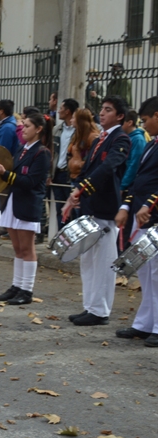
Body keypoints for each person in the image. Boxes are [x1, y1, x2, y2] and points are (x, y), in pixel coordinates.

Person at [62, 96, 131, 326]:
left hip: (105, 207)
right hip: (91, 207)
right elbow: (87, 169)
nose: (101, 113)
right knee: (88, 260)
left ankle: (100, 311)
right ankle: (90, 306)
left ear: (120, 116)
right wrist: (77, 192)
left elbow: (108, 167)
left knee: (103, 262)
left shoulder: (120, 139)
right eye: (101, 109)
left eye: (108, 110)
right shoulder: (101, 138)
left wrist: (83, 189)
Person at [0, 113, 52, 305]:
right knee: (17, 248)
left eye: (27, 126)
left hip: (28, 203)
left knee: (27, 248)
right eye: (23, 125)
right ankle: (17, 285)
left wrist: (5, 174)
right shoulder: (22, 149)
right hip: (14, 201)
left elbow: (32, 181)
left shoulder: (42, 153)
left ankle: (27, 289)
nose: (23, 129)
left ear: (38, 129)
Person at [114, 96, 158, 346]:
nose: (144, 125)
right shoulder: (151, 145)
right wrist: (126, 205)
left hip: (154, 216)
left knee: (157, 275)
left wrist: (149, 204)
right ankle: (145, 323)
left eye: (146, 120)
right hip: (143, 217)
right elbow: (140, 181)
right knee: (146, 274)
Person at [52, 98, 79, 229]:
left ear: (68, 111)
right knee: (60, 208)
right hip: (57, 173)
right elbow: (52, 152)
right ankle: (61, 236)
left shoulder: (78, 131)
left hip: (70, 174)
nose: (58, 111)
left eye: (61, 108)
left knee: (72, 209)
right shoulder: (56, 129)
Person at [121, 109, 147, 193]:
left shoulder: (138, 140)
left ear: (130, 123)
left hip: (129, 187)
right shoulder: (126, 137)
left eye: (122, 122)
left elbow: (134, 165)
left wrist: (122, 186)